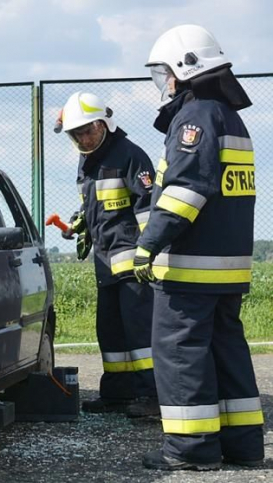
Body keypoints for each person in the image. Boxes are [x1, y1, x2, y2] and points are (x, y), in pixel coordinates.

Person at [133, 25, 263, 470]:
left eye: (164, 74)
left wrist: (147, 245)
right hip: (227, 269)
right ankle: (243, 445)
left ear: (187, 69)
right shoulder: (231, 118)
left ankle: (190, 450)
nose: (163, 83)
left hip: (190, 270)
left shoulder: (196, 117)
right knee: (227, 352)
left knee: (180, 354)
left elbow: (185, 190)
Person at [56, 92, 158, 418]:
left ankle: (151, 396)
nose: (84, 138)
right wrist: (75, 224)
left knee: (140, 332)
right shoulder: (89, 162)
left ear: (103, 124)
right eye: (77, 134)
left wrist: (149, 254)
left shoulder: (130, 156)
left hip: (132, 262)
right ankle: (117, 395)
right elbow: (92, 207)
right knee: (111, 332)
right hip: (105, 263)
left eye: (88, 130)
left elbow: (148, 208)